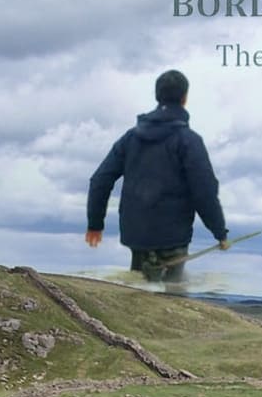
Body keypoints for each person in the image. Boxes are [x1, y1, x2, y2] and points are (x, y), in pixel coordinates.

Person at [85, 69, 229, 281]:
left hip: (137, 236)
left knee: (137, 296)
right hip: (174, 237)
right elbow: (204, 191)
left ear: (157, 96)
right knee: (173, 303)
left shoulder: (130, 138)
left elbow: (100, 180)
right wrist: (219, 232)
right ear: (184, 98)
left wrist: (95, 224)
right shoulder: (188, 141)